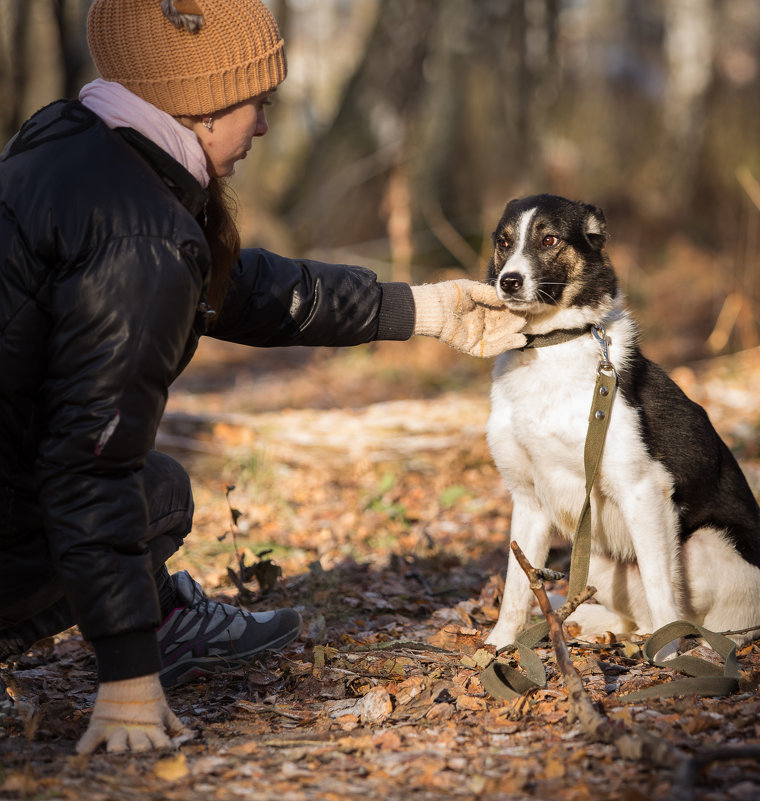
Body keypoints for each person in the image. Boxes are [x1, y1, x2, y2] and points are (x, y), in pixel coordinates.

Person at [0, 0, 526, 754]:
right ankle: (155, 633)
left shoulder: (72, 142)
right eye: (259, 104)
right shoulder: (140, 237)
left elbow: (234, 286)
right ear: (202, 105)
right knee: (151, 491)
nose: (266, 128)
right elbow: (90, 464)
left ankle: (157, 613)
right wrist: (126, 678)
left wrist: (423, 309)